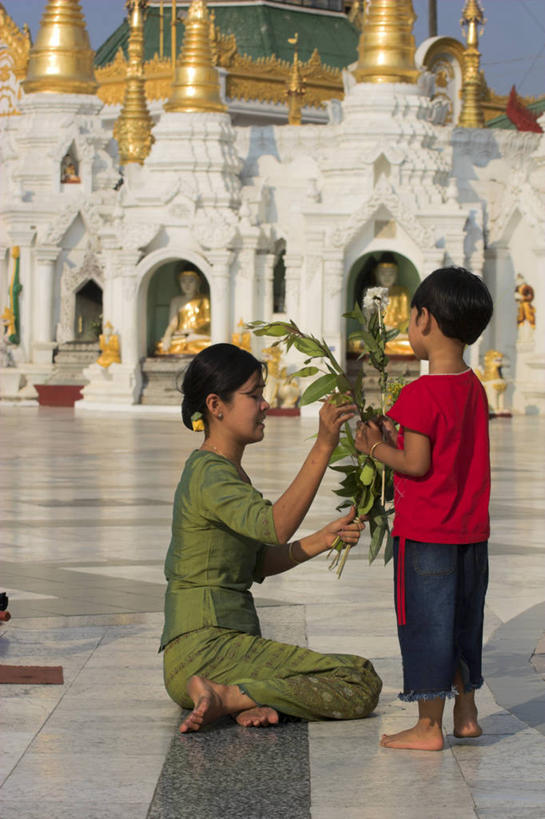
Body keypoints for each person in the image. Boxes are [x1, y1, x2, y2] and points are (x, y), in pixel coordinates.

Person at [160, 343, 382, 732]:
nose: (265, 405)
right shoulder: (210, 474)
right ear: (216, 405)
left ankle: (240, 695)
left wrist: (322, 539)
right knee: (359, 678)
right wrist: (325, 443)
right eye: (254, 395)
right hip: (209, 645)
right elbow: (275, 526)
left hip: (199, 652)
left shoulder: (219, 471)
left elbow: (258, 561)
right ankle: (229, 695)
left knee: (323, 679)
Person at [355, 266, 493, 751]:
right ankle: (468, 711)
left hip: (428, 535)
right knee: (462, 620)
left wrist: (374, 448)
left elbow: (414, 464)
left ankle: (429, 726)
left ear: (424, 320)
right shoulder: (474, 388)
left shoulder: (419, 392)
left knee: (428, 623)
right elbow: (444, 450)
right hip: (471, 534)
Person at [156, 269, 211, 355]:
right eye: (183, 281)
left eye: (191, 281)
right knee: (161, 345)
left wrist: (192, 330)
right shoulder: (176, 301)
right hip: (180, 336)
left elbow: (207, 321)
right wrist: (167, 335)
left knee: (208, 344)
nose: (187, 285)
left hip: (196, 336)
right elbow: (173, 323)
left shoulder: (203, 299)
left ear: (198, 283)